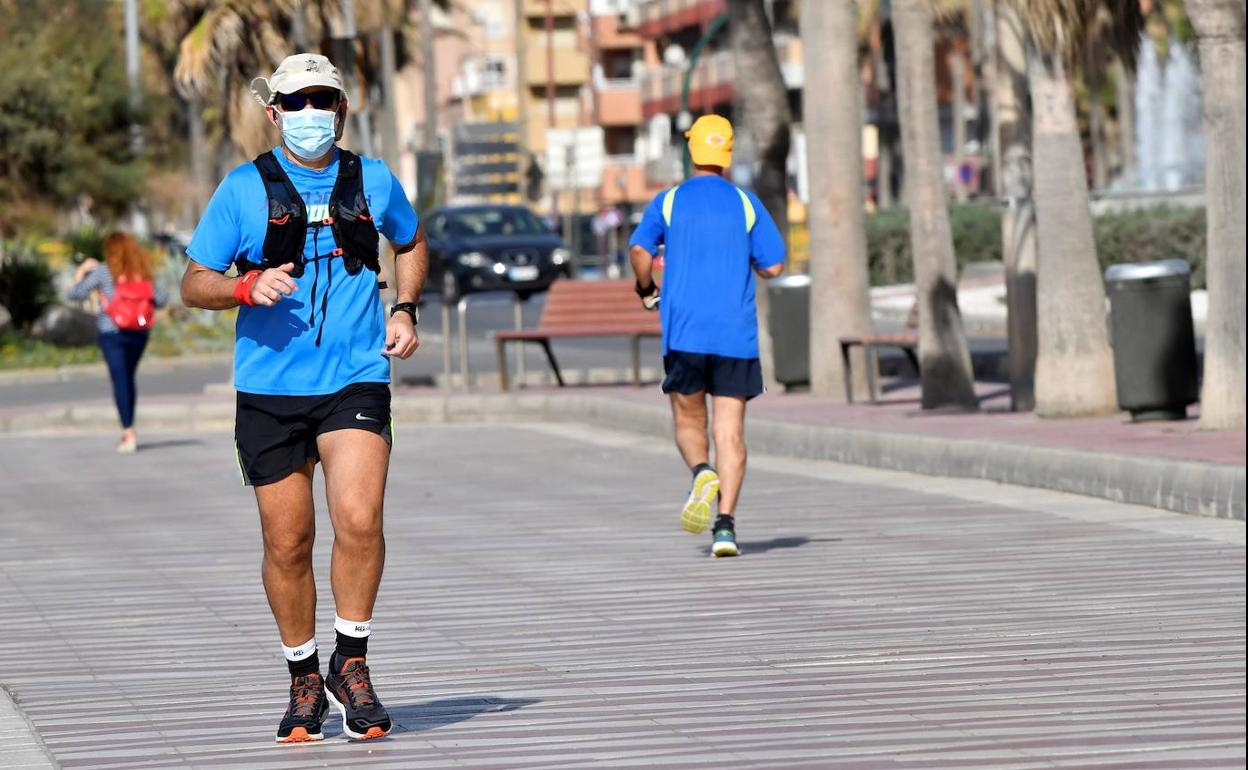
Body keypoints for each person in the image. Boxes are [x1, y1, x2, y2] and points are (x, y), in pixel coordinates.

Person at [180, 53, 426, 744]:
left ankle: (353, 664)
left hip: (354, 377)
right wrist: (240, 287)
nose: (311, 112)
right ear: (274, 112)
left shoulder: (372, 179)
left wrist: (405, 308)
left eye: (324, 99)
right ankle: (303, 676)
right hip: (269, 389)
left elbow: (411, 240)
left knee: (359, 518)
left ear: (342, 110)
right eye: (297, 101)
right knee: (288, 542)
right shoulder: (242, 190)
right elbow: (193, 280)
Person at [628, 114, 786, 558]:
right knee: (730, 433)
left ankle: (701, 471)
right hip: (736, 336)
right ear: (727, 152)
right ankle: (726, 527)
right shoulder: (746, 202)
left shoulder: (670, 201)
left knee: (688, 422)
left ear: (690, 148)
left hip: (685, 334)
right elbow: (773, 266)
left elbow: (639, 251)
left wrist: (646, 287)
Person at [67, 233, 169, 453]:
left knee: (120, 379)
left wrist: (82, 272)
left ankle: (128, 432)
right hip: (139, 333)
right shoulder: (141, 272)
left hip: (111, 333)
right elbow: (162, 299)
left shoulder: (103, 271)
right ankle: (128, 427)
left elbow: (74, 294)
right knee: (127, 378)